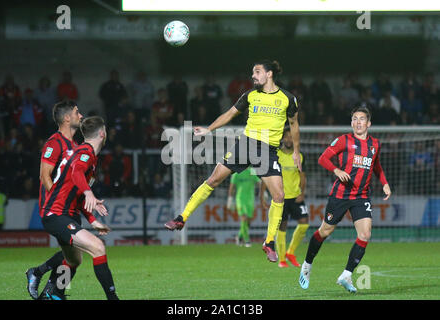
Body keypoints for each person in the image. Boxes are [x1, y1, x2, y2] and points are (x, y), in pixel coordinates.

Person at [165, 60, 301, 263]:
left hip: (268, 151)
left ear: (269, 74)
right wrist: (208, 129)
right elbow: (229, 114)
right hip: (245, 145)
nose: (253, 76)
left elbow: (294, 124)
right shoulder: (250, 95)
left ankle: (269, 242)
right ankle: (181, 218)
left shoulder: (288, 99)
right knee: (213, 180)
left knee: (279, 195)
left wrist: (296, 151)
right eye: (252, 72)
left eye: (257, 72)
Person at [298, 106, 391, 293]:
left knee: (365, 234)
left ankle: (346, 274)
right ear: (351, 123)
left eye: (362, 119)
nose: (358, 122)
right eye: (355, 119)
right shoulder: (344, 140)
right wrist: (337, 170)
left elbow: (376, 165)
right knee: (325, 231)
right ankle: (307, 265)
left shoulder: (375, 144)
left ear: (369, 123)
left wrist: (384, 183)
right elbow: (323, 158)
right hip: (340, 195)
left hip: (361, 196)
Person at [39, 116, 117, 300]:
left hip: (64, 214)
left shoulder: (87, 154)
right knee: (98, 247)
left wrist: (93, 220)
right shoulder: (86, 152)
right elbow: (76, 171)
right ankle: (113, 298)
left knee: (74, 260)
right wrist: (89, 193)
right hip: (57, 214)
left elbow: (78, 194)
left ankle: (53, 295)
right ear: (102, 133)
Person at [260, 127, 309, 268]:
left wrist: (302, 192)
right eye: (286, 137)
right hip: (281, 197)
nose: (288, 139)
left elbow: (302, 176)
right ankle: (282, 260)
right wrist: (262, 197)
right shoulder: (276, 155)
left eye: (291, 137)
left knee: (304, 223)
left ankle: (290, 252)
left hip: (295, 196)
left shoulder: (299, 156)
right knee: (282, 228)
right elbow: (265, 177)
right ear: (282, 138)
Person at [227, 167, 261, 248]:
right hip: (240, 199)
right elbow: (232, 186)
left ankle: (239, 237)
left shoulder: (252, 171)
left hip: (250, 199)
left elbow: (259, 182)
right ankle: (247, 240)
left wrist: (263, 192)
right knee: (244, 218)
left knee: (248, 222)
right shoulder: (236, 173)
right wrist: (230, 199)